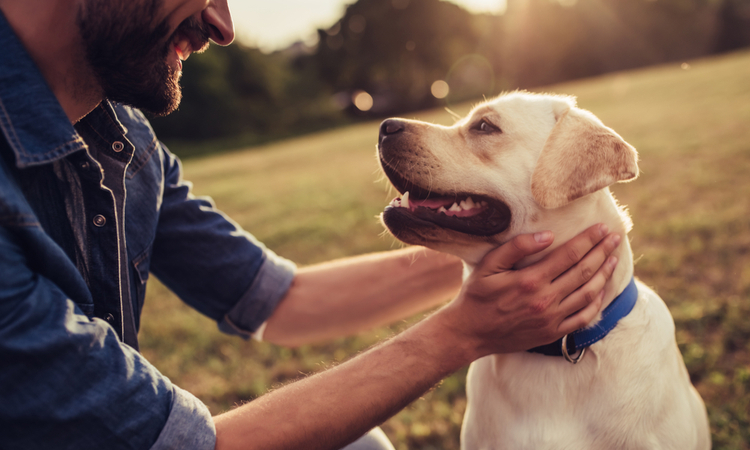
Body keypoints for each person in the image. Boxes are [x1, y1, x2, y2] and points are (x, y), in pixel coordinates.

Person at [0, 1, 622, 449]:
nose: (222, 23)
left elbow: (282, 300)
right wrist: (460, 334)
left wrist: (515, 247)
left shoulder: (125, 142)